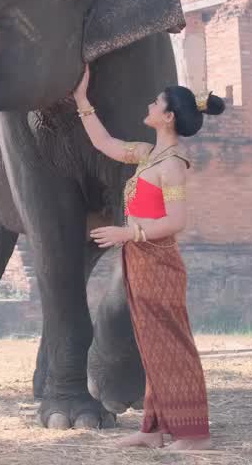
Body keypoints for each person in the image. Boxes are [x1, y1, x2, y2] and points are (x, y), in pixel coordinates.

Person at [73, 61, 224, 451]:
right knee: (150, 344)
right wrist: (81, 100)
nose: (150, 105)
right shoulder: (146, 156)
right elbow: (104, 144)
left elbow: (176, 220)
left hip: (159, 261)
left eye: (156, 103)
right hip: (138, 259)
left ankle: (195, 433)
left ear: (168, 117)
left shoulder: (172, 166)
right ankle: (153, 429)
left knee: (172, 344)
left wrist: (129, 232)